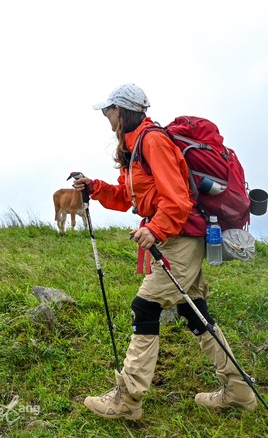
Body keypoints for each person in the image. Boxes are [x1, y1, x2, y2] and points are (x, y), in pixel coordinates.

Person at [74, 83, 256, 420]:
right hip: (179, 235)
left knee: (145, 307)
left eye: (108, 111)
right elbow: (129, 196)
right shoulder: (134, 146)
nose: (106, 117)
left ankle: (128, 400)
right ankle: (239, 391)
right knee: (195, 312)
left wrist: (155, 229)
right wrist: (95, 187)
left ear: (121, 111)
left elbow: (178, 199)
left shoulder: (152, 141)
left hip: (180, 237)